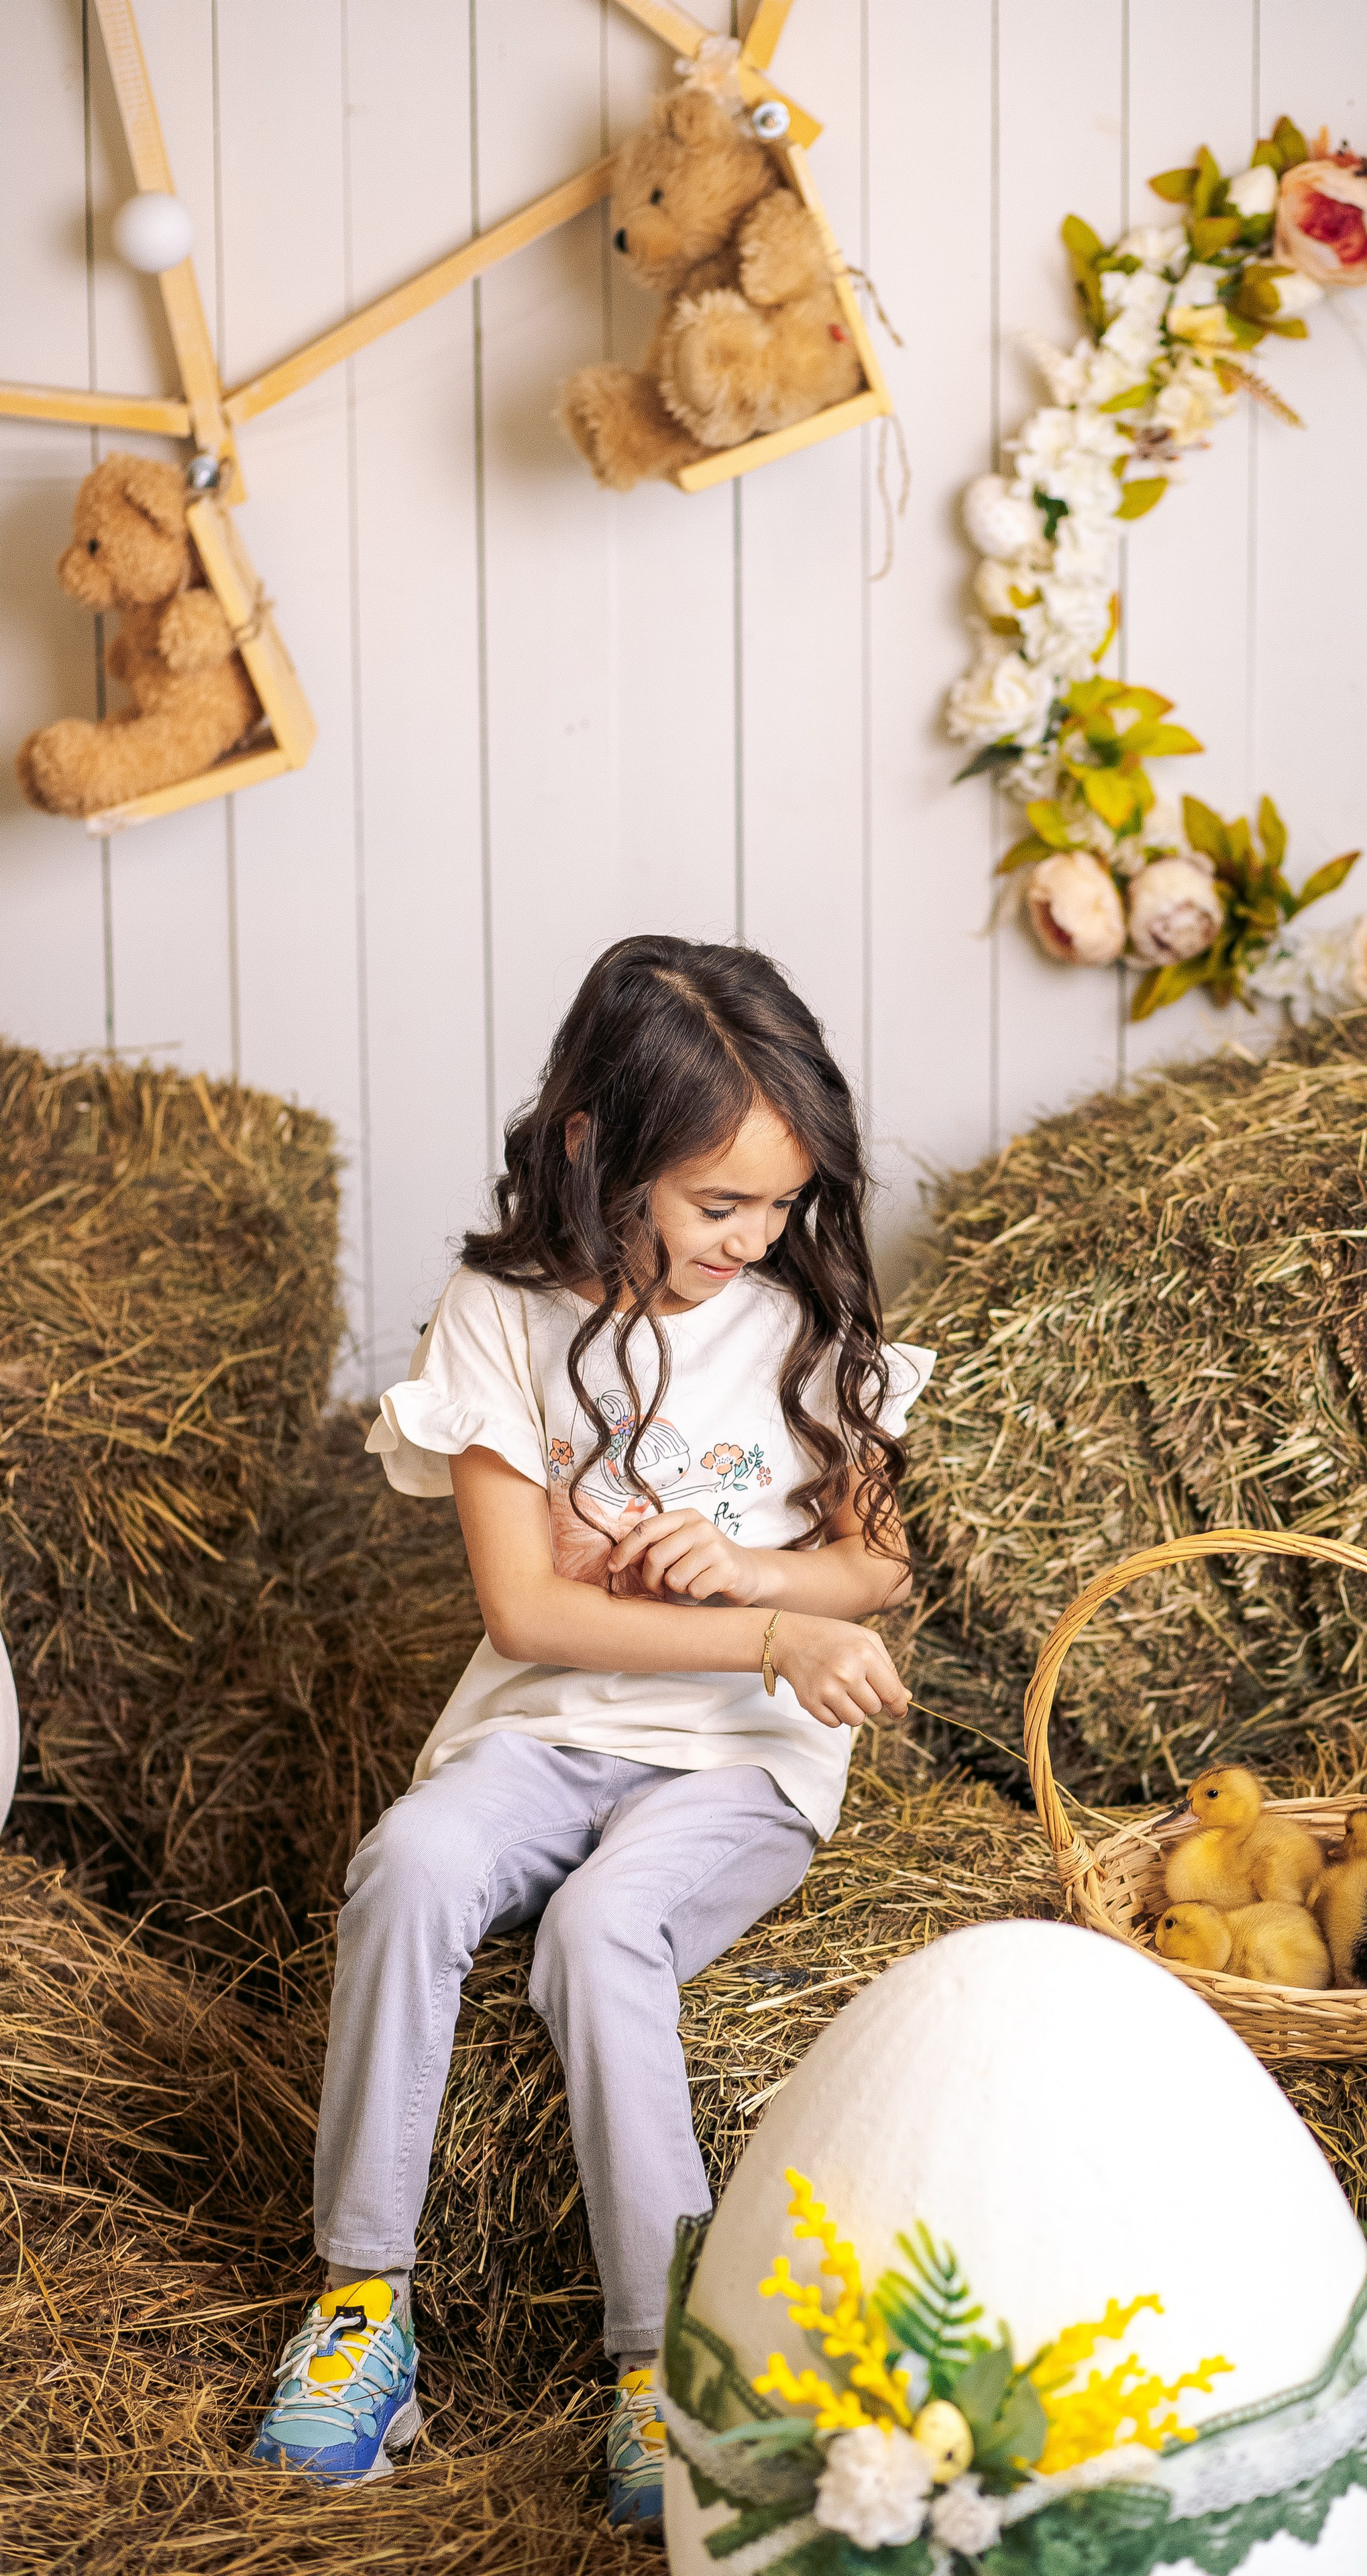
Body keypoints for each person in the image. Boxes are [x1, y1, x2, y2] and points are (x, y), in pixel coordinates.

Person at [249, 936, 932, 2518]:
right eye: (718, 1203)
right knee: (411, 1864)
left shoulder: (798, 1315)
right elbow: (528, 1619)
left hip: (743, 1758)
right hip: (543, 1724)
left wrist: (756, 1569)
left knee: (605, 1928)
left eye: (781, 1201)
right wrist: (766, 1627)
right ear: (591, 1148)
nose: (755, 1236)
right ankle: (363, 2309)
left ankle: (659, 2361)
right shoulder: (495, 1313)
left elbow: (874, 1566)